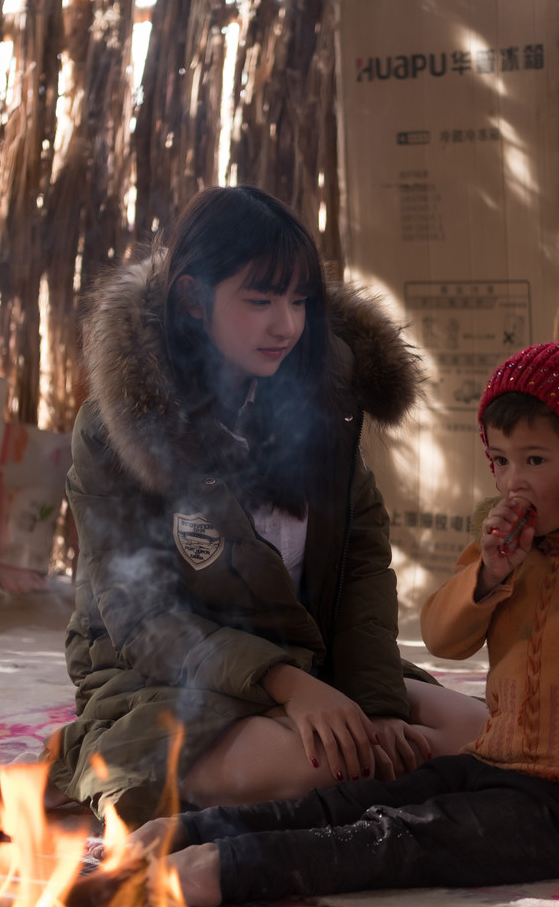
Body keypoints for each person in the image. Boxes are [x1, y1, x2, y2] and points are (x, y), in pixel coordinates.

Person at [116, 339, 559, 907]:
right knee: (364, 797)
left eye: (535, 460)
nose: (514, 481)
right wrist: (487, 578)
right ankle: (195, 831)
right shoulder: (508, 549)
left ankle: (230, 868)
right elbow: (442, 639)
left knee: (410, 836)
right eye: (501, 461)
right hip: (497, 765)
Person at [36, 185, 485, 826]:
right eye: (261, 300)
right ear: (193, 298)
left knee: (482, 732)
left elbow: (361, 566)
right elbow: (143, 620)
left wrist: (377, 705)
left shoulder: (324, 404)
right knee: (317, 766)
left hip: (310, 660)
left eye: (300, 301)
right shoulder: (119, 430)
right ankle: (84, 761)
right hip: (165, 680)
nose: (287, 326)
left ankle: (310, 751)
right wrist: (288, 687)